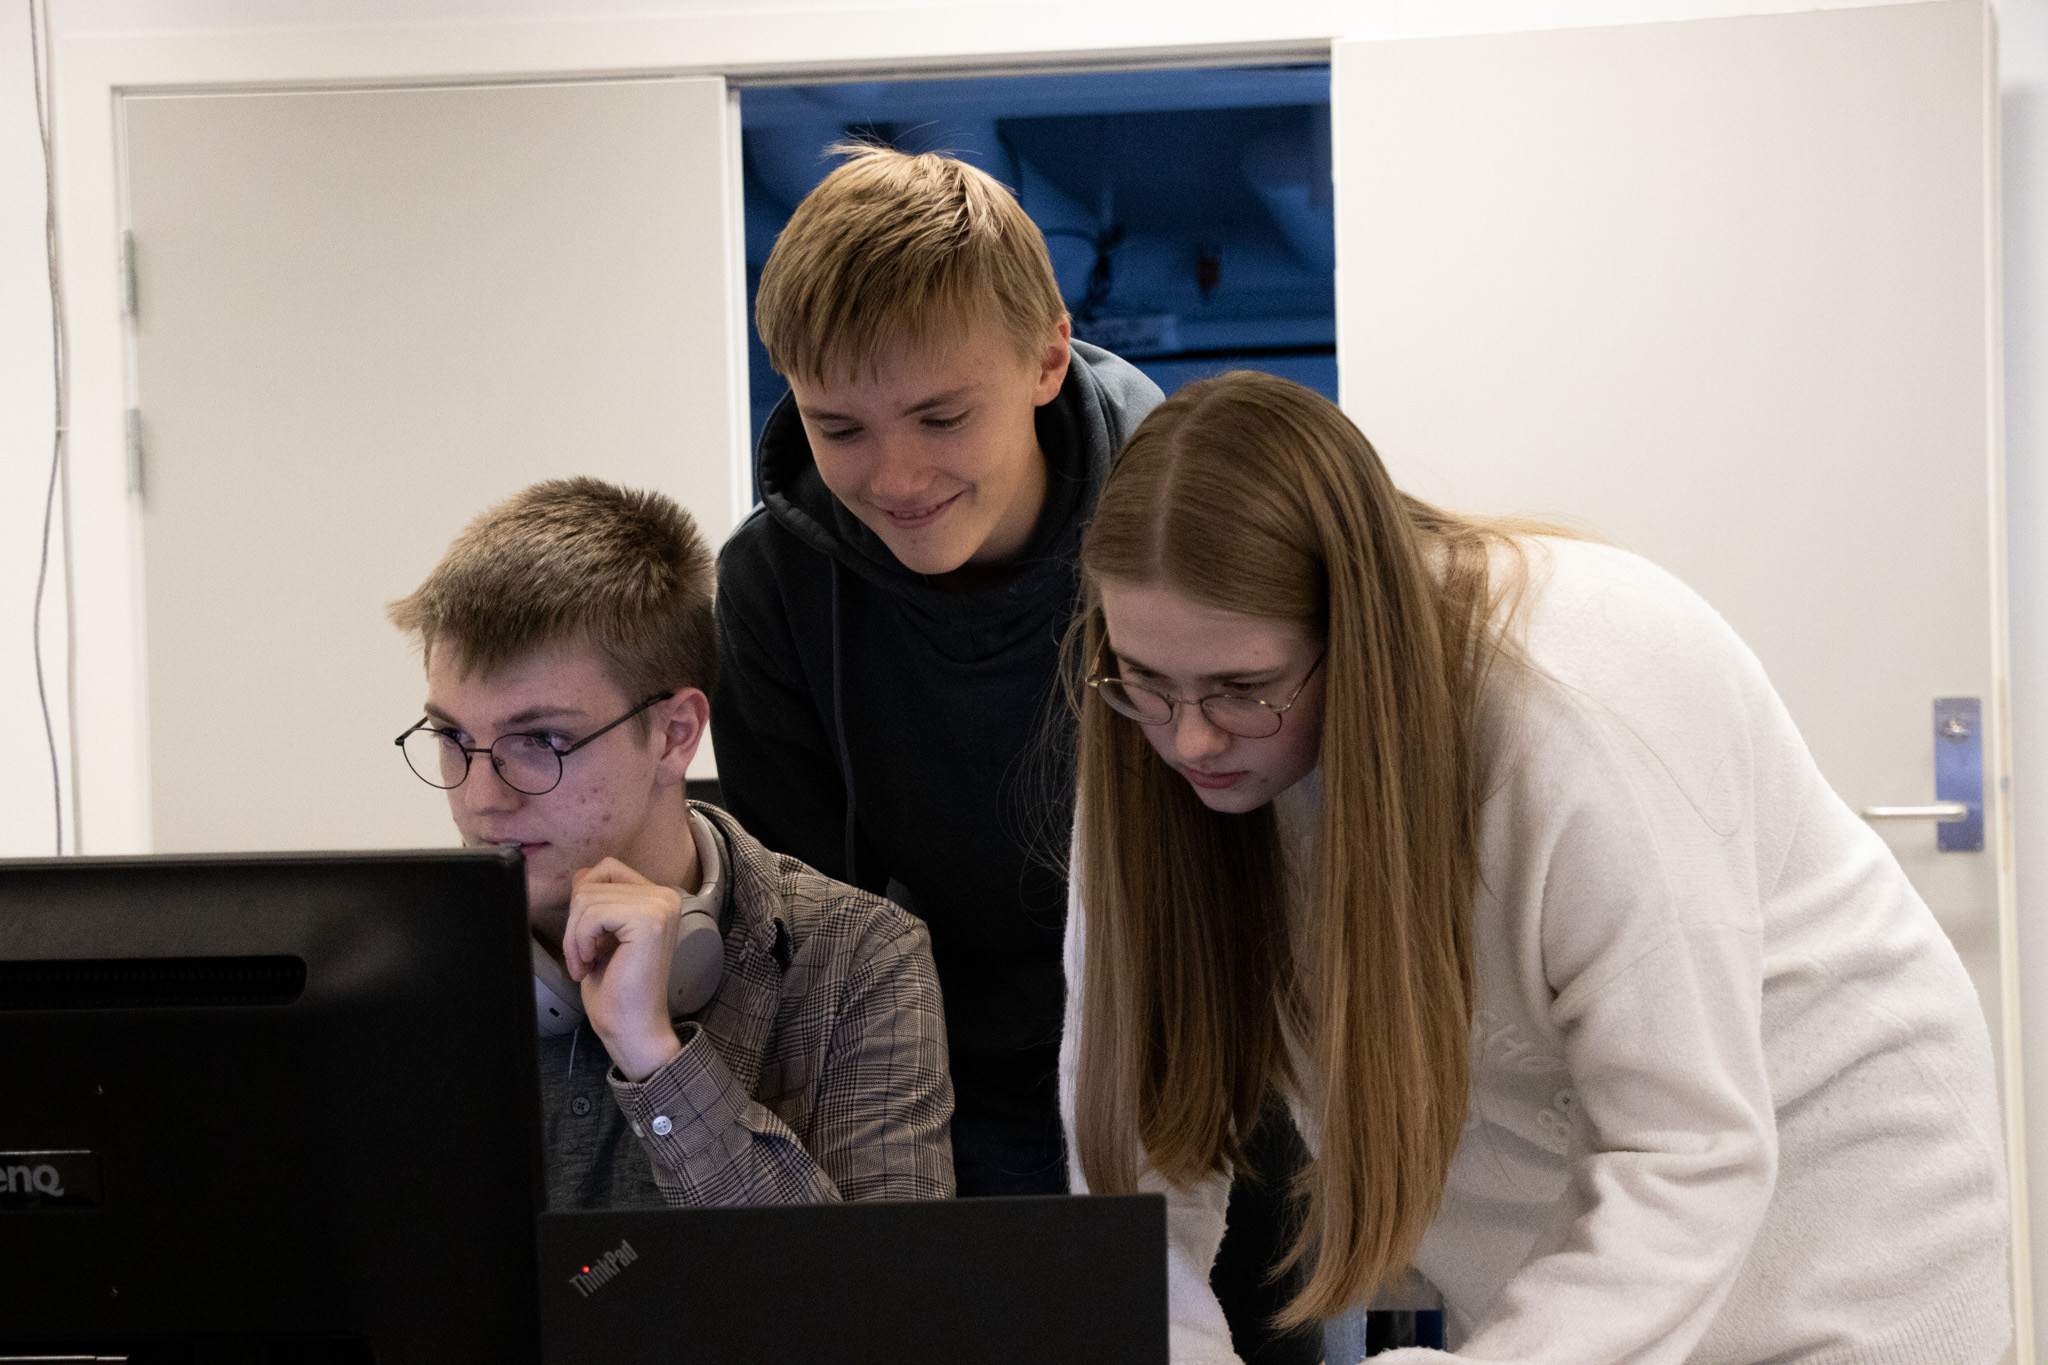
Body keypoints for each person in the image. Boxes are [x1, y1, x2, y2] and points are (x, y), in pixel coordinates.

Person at [1059, 371, 2011, 1365]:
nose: (1190, 740)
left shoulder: (1581, 702)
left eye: (1243, 689)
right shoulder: (1152, 745)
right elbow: (1135, 1157)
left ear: (1354, 637)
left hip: (1831, 1219)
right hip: (1569, 1259)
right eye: (1147, 683)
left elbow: (1686, 1152)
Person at [711, 143, 1163, 1199]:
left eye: (942, 417)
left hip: (1210, 1076)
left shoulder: (1182, 530)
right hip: (932, 1100)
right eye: (839, 428)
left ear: (1047, 360)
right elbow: (804, 936)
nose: (896, 476)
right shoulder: (773, 588)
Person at [388, 476, 954, 1208]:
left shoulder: (858, 959)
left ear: (674, 734)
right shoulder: (398, 964)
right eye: (454, 737)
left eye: (541, 740)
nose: (480, 797)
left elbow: (878, 1308)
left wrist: (659, 1061)